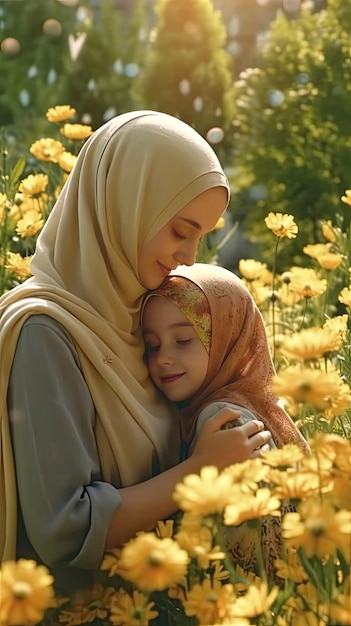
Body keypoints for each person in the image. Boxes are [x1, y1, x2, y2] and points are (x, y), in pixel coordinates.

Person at [0, 111, 274, 574]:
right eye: (180, 231)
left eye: (201, 238)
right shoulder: (45, 333)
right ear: (125, 206)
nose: (189, 257)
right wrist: (195, 472)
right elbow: (64, 530)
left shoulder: (140, 322)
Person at [141, 262, 310, 576]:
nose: (162, 357)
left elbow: (254, 555)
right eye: (151, 345)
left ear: (228, 338)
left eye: (182, 340)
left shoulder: (224, 421)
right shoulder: (235, 404)